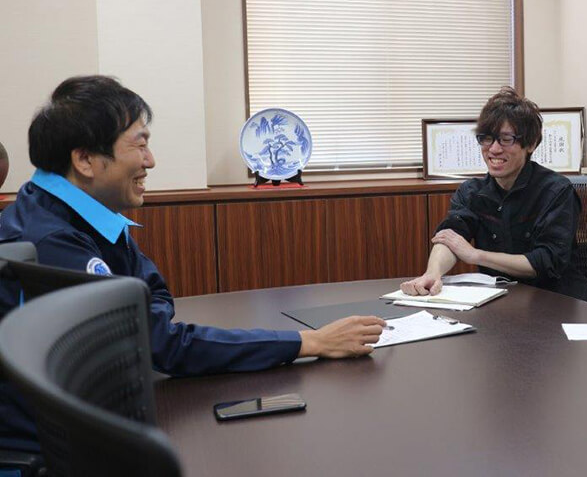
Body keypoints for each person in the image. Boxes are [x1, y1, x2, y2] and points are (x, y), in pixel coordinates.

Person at [0, 75, 385, 454]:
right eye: (140, 144)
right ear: (84, 159)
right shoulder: (51, 239)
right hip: (54, 452)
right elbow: (160, 343)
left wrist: (149, 322)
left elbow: (154, 296)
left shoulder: (73, 208)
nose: (150, 160)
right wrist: (311, 341)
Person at [401, 87, 587, 301]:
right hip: (500, 300)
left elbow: (546, 261)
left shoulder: (556, 191)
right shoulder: (472, 191)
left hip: (556, 302)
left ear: (530, 143)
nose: (493, 149)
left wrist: (475, 255)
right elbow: (451, 236)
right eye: (486, 139)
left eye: (506, 139)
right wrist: (432, 273)